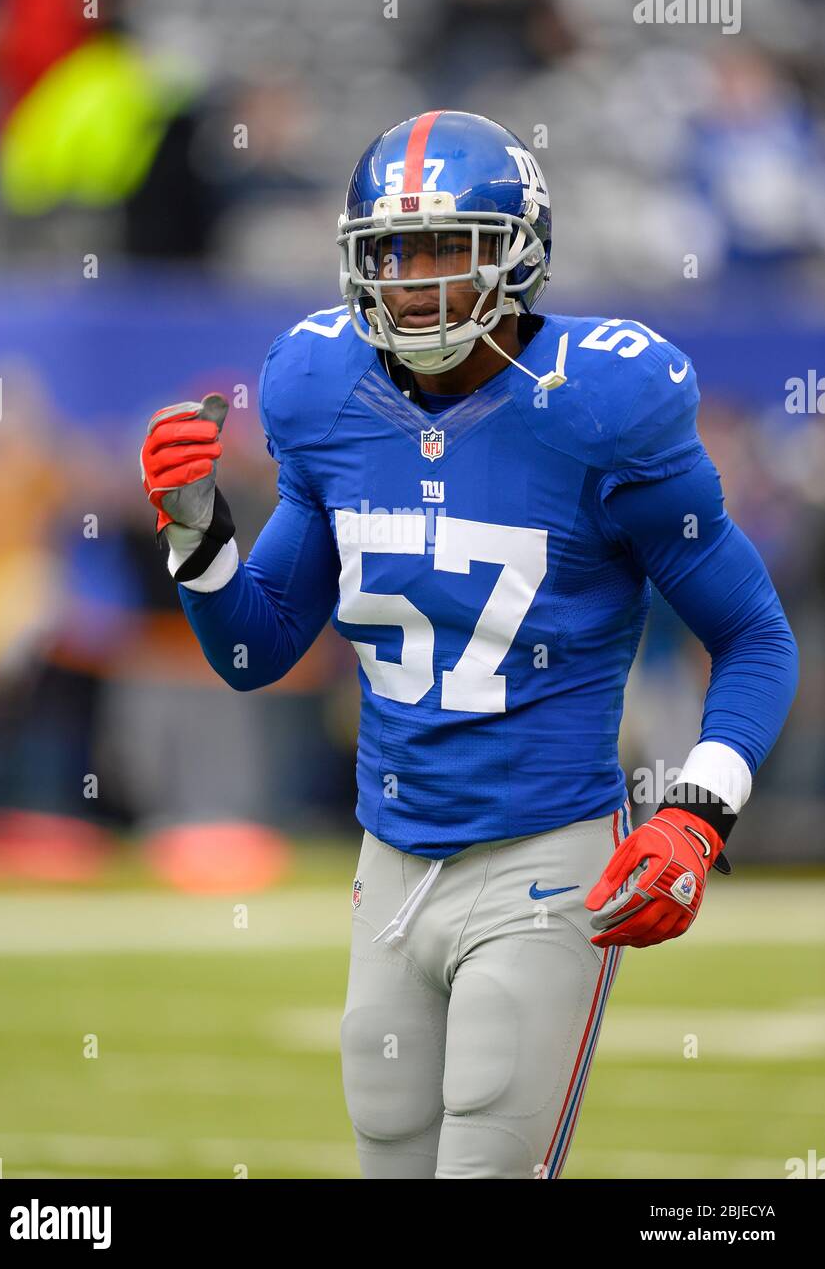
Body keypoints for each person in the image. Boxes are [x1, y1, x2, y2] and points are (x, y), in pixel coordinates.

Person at [139, 110, 798, 1179]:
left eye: (448, 246)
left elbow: (754, 637)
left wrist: (695, 818)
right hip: (387, 852)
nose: (415, 280)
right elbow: (255, 652)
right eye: (393, 252)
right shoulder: (321, 389)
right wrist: (196, 534)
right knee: (390, 1158)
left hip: (545, 855)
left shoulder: (604, 402)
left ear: (518, 253)